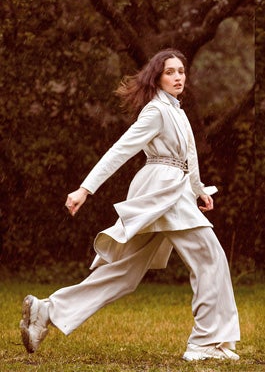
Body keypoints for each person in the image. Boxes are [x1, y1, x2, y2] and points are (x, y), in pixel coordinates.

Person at [19, 49, 240, 362]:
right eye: (170, 72)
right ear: (157, 77)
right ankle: (205, 342)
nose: (178, 77)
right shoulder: (156, 111)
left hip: (173, 188)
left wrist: (198, 188)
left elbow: (187, 156)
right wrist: (85, 188)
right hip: (163, 191)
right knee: (210, 258)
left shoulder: (177, 110)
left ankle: (47, 310)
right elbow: (120, 150)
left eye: (181, 71)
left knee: (124, 273)